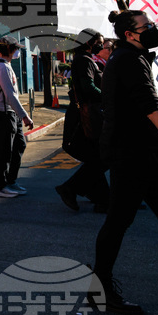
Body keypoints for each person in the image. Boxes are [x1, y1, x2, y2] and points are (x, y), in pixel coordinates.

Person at [90, 10, 158, 315]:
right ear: (130, 34)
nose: (153, 30)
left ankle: (100, 290)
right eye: (147, 27)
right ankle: (100, 290)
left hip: (139, 153)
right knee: (123, 221)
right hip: (133, 155)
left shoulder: (130, 57)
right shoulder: (130, 61)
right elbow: (150, 109)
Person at [56, 32, 110, 212]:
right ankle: (71, 188)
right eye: (99, 43)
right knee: (100, 158)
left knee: (96, 157)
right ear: (88, 42)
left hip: (85, 115)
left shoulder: (84, 59)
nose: (101, 46)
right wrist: (108, 98)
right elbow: (88, 87)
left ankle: (101, 199)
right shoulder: (85, 61)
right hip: (85, 117)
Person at [0, 36, 35, 198]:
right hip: (3, 114)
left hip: (9, 113)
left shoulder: (5, 66)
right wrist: (25, 116)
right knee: (4, 151)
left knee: (18, 145)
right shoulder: (2, 68)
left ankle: (10, 181)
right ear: (8, 49)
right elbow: (10, 95)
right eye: (16, 48)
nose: (17, 52)